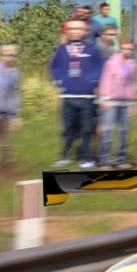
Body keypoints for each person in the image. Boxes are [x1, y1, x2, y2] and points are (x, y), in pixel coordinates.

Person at [49, 19, 104, 168]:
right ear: (67, 31)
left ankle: (86, 158)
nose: (75, 32)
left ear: (85, 31)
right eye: (72, 29)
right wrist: (60, 81)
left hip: (87, 97)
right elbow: (54, 67)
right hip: (68, 96)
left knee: (87, 129)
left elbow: (99, 68)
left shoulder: (92, 50)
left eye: (78, 29)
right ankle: (65, 156)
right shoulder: (62, 50)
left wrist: (92, 82)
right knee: (68, 128)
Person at [97, 40, 136, 168]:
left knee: (124, 131)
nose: (127, 51)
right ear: (120, 48)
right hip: (111, 101)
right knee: (107, 131)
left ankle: (121, 160)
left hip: (125, 102)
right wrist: (104, 98)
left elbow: (131, 84)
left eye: (130, 49)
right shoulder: (111, 62)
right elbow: (105, 80)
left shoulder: (131, 64)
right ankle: (104, 161)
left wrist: (133, 102)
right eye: (125, 48)